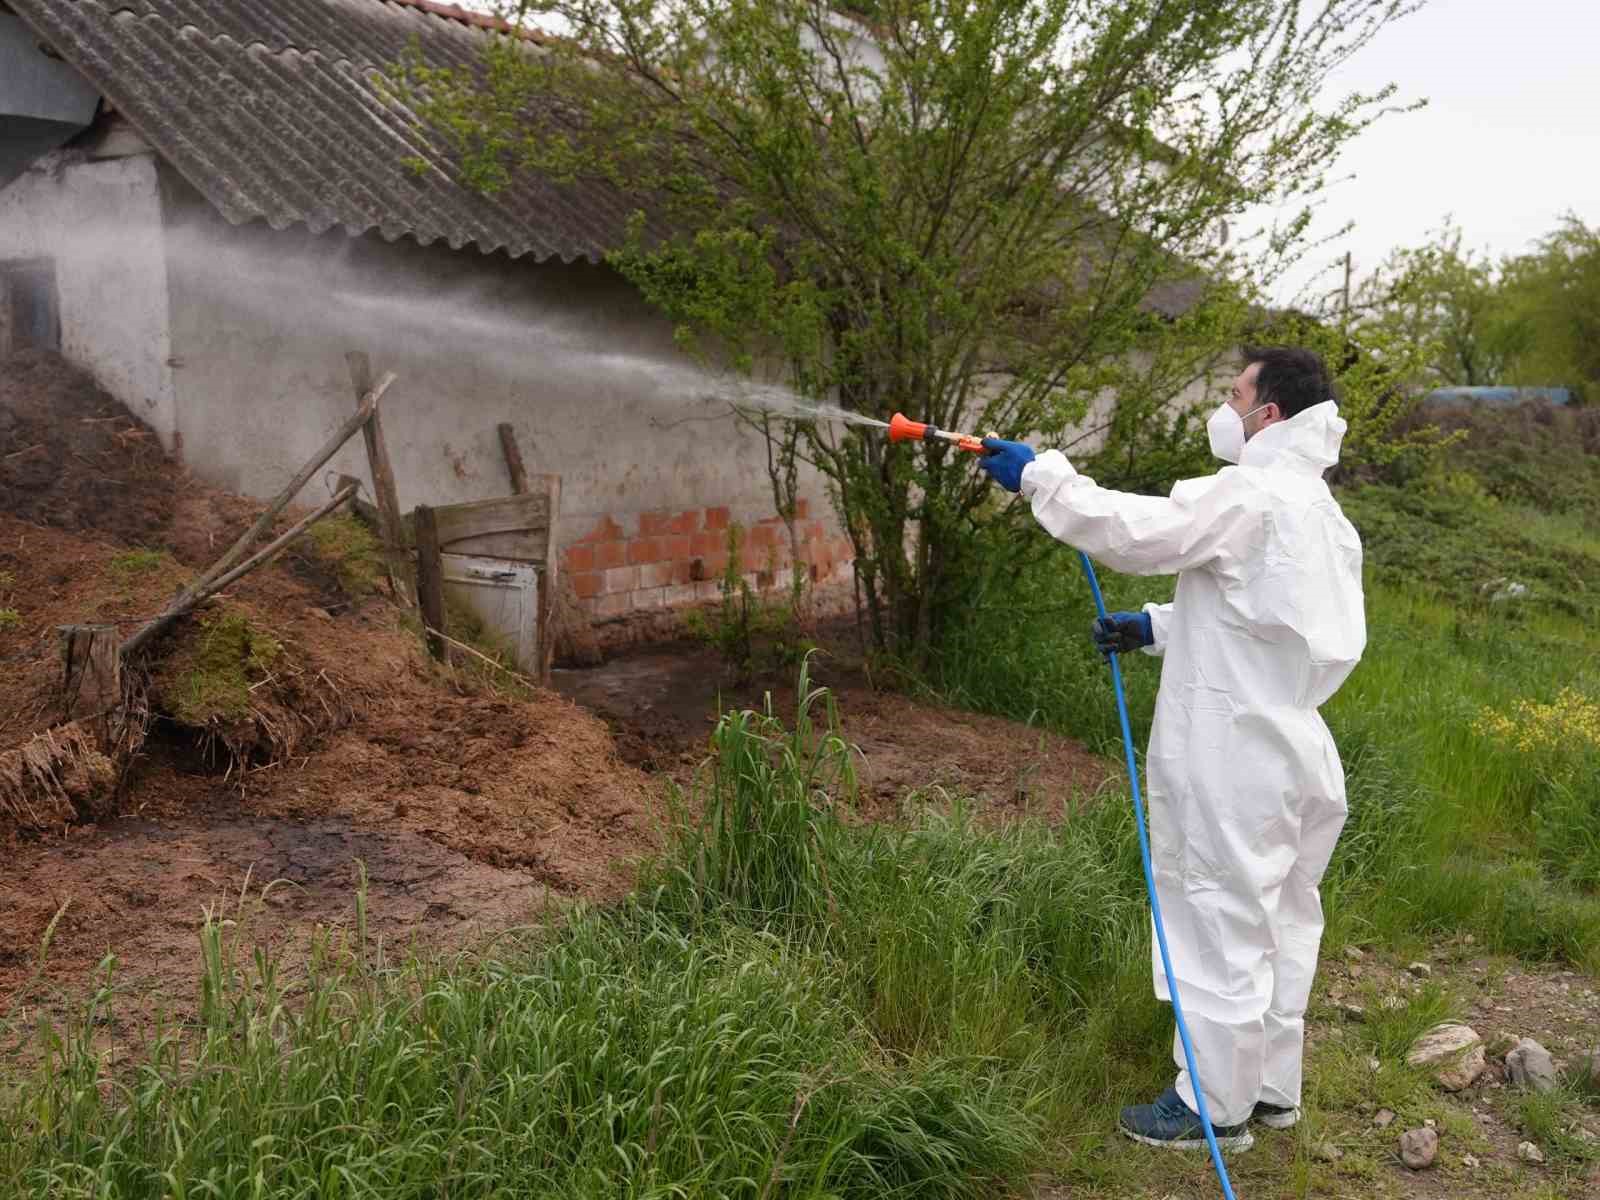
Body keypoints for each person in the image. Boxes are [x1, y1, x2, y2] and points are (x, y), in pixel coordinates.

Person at [978, 346, 1366, 1152]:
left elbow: (1135, 531)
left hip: (1233, 755)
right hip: (1297, 748)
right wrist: (1154, 627)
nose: (1223, 409)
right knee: (1282, 920)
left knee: (1219, 918)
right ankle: (1266, 1090)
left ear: (1268, 415)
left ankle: (1211, 1110)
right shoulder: (1320, 513)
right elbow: (1263, 615)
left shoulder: (1251, 491)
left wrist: (1042, 477)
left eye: (1233, 395)